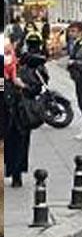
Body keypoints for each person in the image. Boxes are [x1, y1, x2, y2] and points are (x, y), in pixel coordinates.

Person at [4, 39, 44, 187]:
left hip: (21, 112)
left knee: (20, 143)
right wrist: (7, 81)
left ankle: (17, 175)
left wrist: (23, 86)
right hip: (6, 111)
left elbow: (36, 88)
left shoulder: (26, 66)